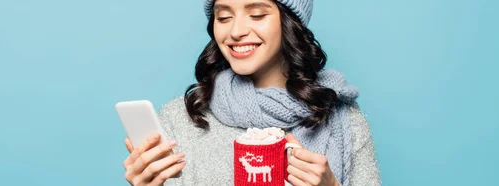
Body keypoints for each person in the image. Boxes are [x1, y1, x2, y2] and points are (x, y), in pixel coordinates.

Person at [123, 0, 381, 185]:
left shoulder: (342, 119)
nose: (235, 32)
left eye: (256, 14)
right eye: (223, 17)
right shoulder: (180, 118)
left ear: (290, 22)